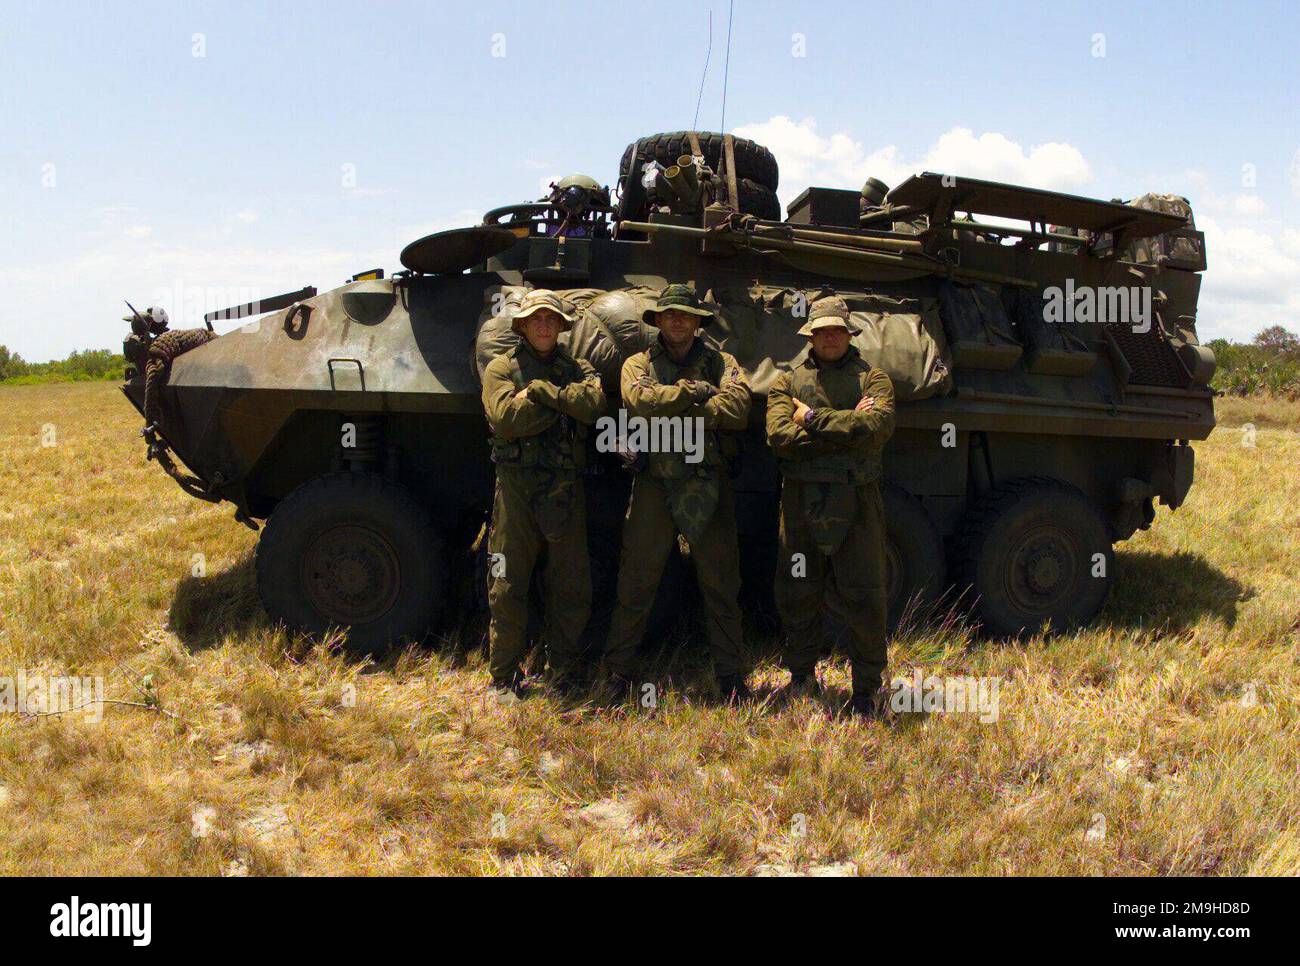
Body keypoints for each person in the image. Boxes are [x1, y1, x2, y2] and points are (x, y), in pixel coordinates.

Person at [600, 284, 754, 702]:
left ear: (697, 321)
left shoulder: (722, 362)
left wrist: (678, 405)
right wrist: (697, 392)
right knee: (636, 581)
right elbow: (639, 402)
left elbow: (739, 410)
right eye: (670, 314)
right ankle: (617, 673)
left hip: (707, 482)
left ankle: (731, 678)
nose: (678, 321)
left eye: (685, 314)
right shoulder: (638, 362)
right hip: (656, 483)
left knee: (721, 582)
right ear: (658, 319)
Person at [765, 293, 896, 718]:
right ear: (812, 336)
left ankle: (866, 692)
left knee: (864, 594)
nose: (830, 338)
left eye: (837, 331)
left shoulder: (874, 380)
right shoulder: (787, 381)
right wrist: (846, 430)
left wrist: (814, 420)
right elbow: (779, 438)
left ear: (849, 334)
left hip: (856, 502)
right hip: (801, 504)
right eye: (822, 332)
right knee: (798, 590)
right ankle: (802, 677)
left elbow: (876, 427)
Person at [480, 289, 606, 702]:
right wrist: (565, 402)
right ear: (521, 324)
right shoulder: (501, 367)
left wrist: (541, 393)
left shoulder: (578, 366)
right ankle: (503, 676)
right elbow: (505, 419)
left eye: (551, 319)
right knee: (507, 581)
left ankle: (564, 670)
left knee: (571, 584)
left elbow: (594, 406)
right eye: (536, 318)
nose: (544, 324)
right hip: (516, 487)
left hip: (565, 487)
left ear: (562, 325)